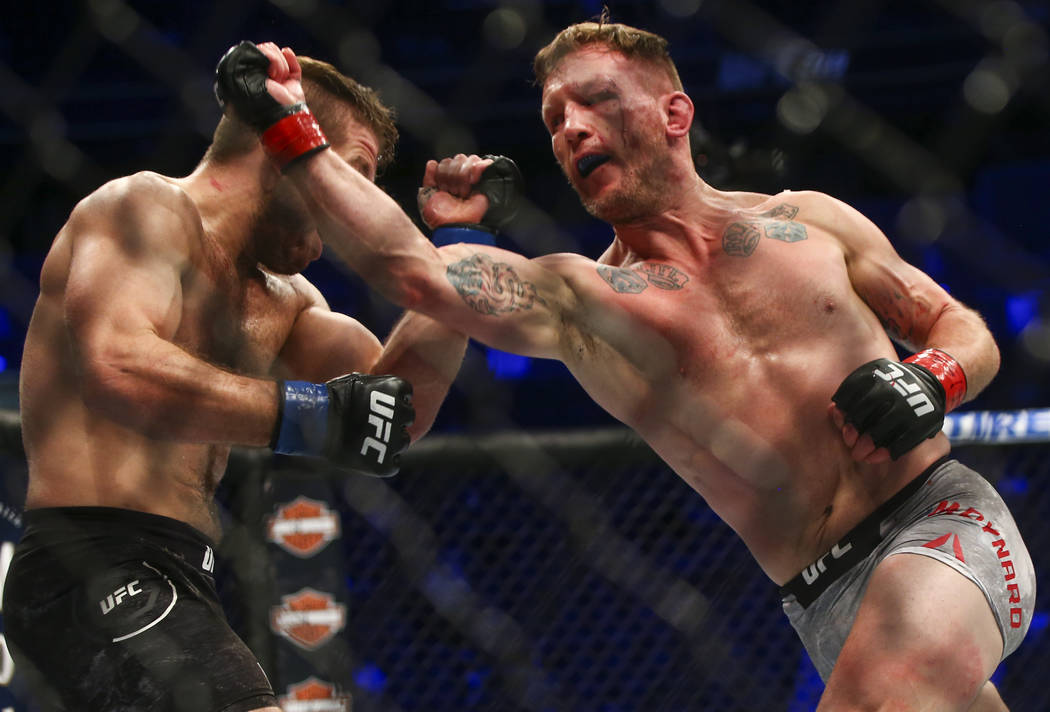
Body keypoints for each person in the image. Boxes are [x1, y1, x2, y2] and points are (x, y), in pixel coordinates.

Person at [223, 22, 1036, 712]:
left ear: (674, 113)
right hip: (818, 599)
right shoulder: (585, 301)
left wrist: (933, 377)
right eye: (554, 119)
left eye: (596, 101)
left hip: (939, 520)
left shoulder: (810, 224)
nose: (571, 129)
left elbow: (960, 327)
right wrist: (297, 134)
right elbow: (417, 277)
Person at [4, 44, 467, 712]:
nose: (355, 207)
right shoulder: (143, 208)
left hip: (185, 576)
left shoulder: (289, 304)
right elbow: (119, 368)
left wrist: (456, 262)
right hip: (87, 568)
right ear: (285, 144)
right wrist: (314, 414)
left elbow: (393, 417)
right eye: (354, 173)